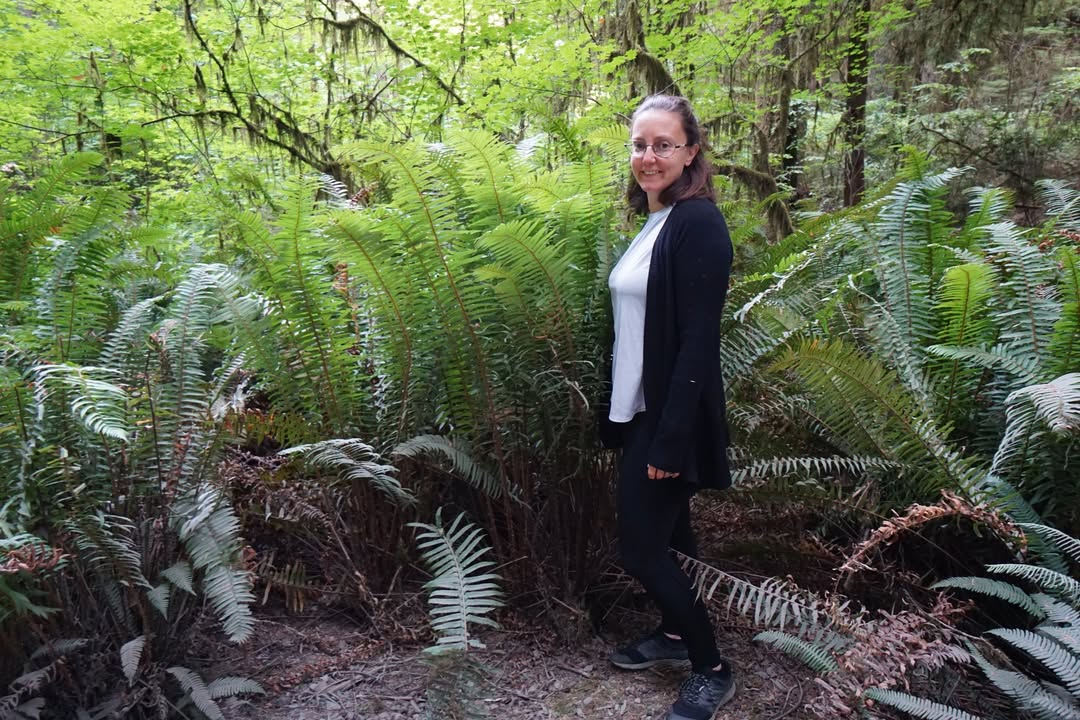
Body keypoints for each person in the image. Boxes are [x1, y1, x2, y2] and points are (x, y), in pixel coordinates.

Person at [602, 94, 735, 720]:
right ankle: (677, 638)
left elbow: (697, 343)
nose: (648, 157)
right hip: (638, 410)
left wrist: (670, 439)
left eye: (663, 145)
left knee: (642, 551)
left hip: (665, 416)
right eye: (639, 144)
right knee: (672, 537)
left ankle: (711, 667)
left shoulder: (698, 224)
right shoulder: (656, 222)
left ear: (691, 152)